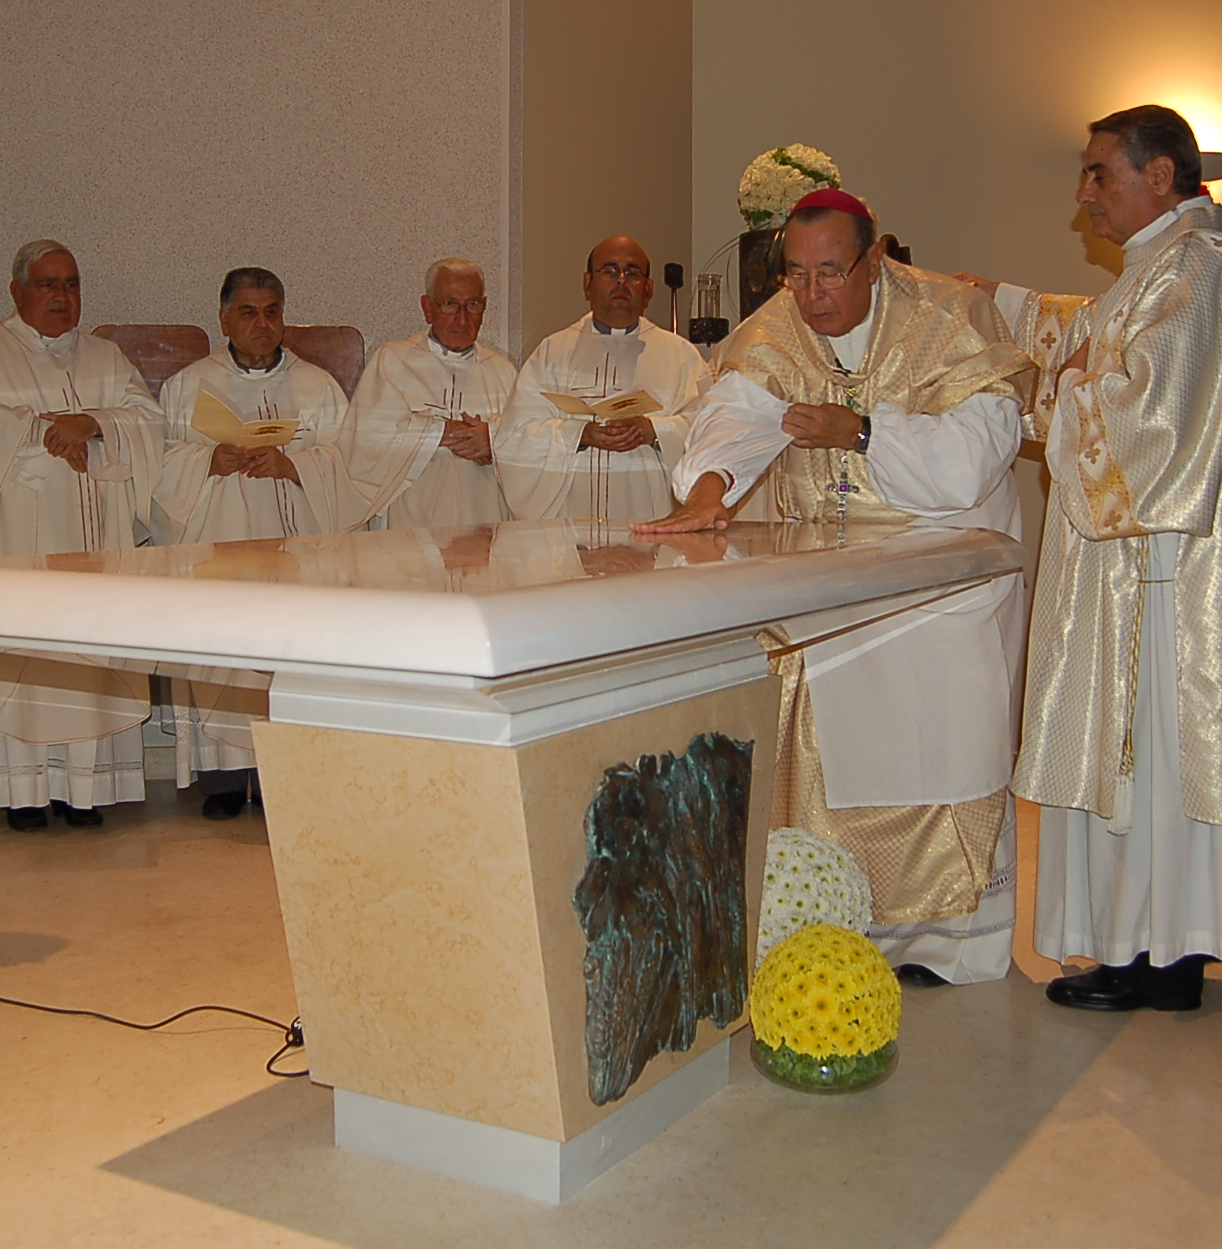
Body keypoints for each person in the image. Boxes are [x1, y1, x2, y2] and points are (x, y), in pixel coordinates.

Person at [636, 187, 1034, 984]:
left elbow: (978, 454)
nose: (812, 295)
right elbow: (738, 411)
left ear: (874, 259)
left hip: (942, 573)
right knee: (833, 751)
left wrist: (860, 431)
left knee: (944, 744)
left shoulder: (951, 320)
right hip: (835, 572)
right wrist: (712, 486)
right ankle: (846, 931)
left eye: (830, 274)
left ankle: (943, 936)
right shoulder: (779, 328)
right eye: (795, 275)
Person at [1002, 105, 1222, 1014]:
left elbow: (1154, 424)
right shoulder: (1163, 272)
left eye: (1101, 173)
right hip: (1140, 570)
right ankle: (1137, 943)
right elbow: (1096, 341)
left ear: (1161, 176)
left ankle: (1163, 955)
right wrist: (994, 308)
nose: (1085, 195)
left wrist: (1058, 395)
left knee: (1156, 763)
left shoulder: (1201, 273)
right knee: (1135, 766)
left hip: (1170, 583)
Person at [0, 240, 168, 831]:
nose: (62, 297)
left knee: (85, 650)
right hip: (20, 532)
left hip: (94, 533)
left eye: (71, 284)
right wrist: (46, 438)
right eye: (47, 284)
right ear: (17, 292)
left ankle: (83, 791)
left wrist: (92, 423)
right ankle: (24, 791)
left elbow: (147, 419)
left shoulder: (105, 357)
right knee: (29, 650)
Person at [155, 267, 354, 818]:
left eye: (271, 312)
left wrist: (295, 465)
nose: (261, 324)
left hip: (296, 552)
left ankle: (280, 776)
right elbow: (157, 467)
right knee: (224, 654)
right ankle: (222, 779)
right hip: (220, 547)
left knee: (285, 656)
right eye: (248, 312)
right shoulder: (188, 387)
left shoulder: (319, 388)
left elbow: (350, 465)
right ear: (223, 318)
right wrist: (207, 460)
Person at [495, 236, 711, 522]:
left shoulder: (680, 355)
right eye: (609, 271)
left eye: (632, 272)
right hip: (571, 533)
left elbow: (709, 429)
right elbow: (514, 438)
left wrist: (654, 432)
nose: (621, 281)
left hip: (651, 523)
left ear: (648, 289)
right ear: (587, 283)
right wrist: (580, 435)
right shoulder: (552, 353)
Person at [342, 257, 516, 528]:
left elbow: (529, 449)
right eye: (450, 304)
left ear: (484, 307)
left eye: (472, 305)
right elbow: (364, 445)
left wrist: (493, 440)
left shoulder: (503, 372)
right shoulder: (393, 362)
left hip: (483, 526)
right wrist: (440, 432)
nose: (462, 318)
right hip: (410, 526)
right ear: (427, 308)